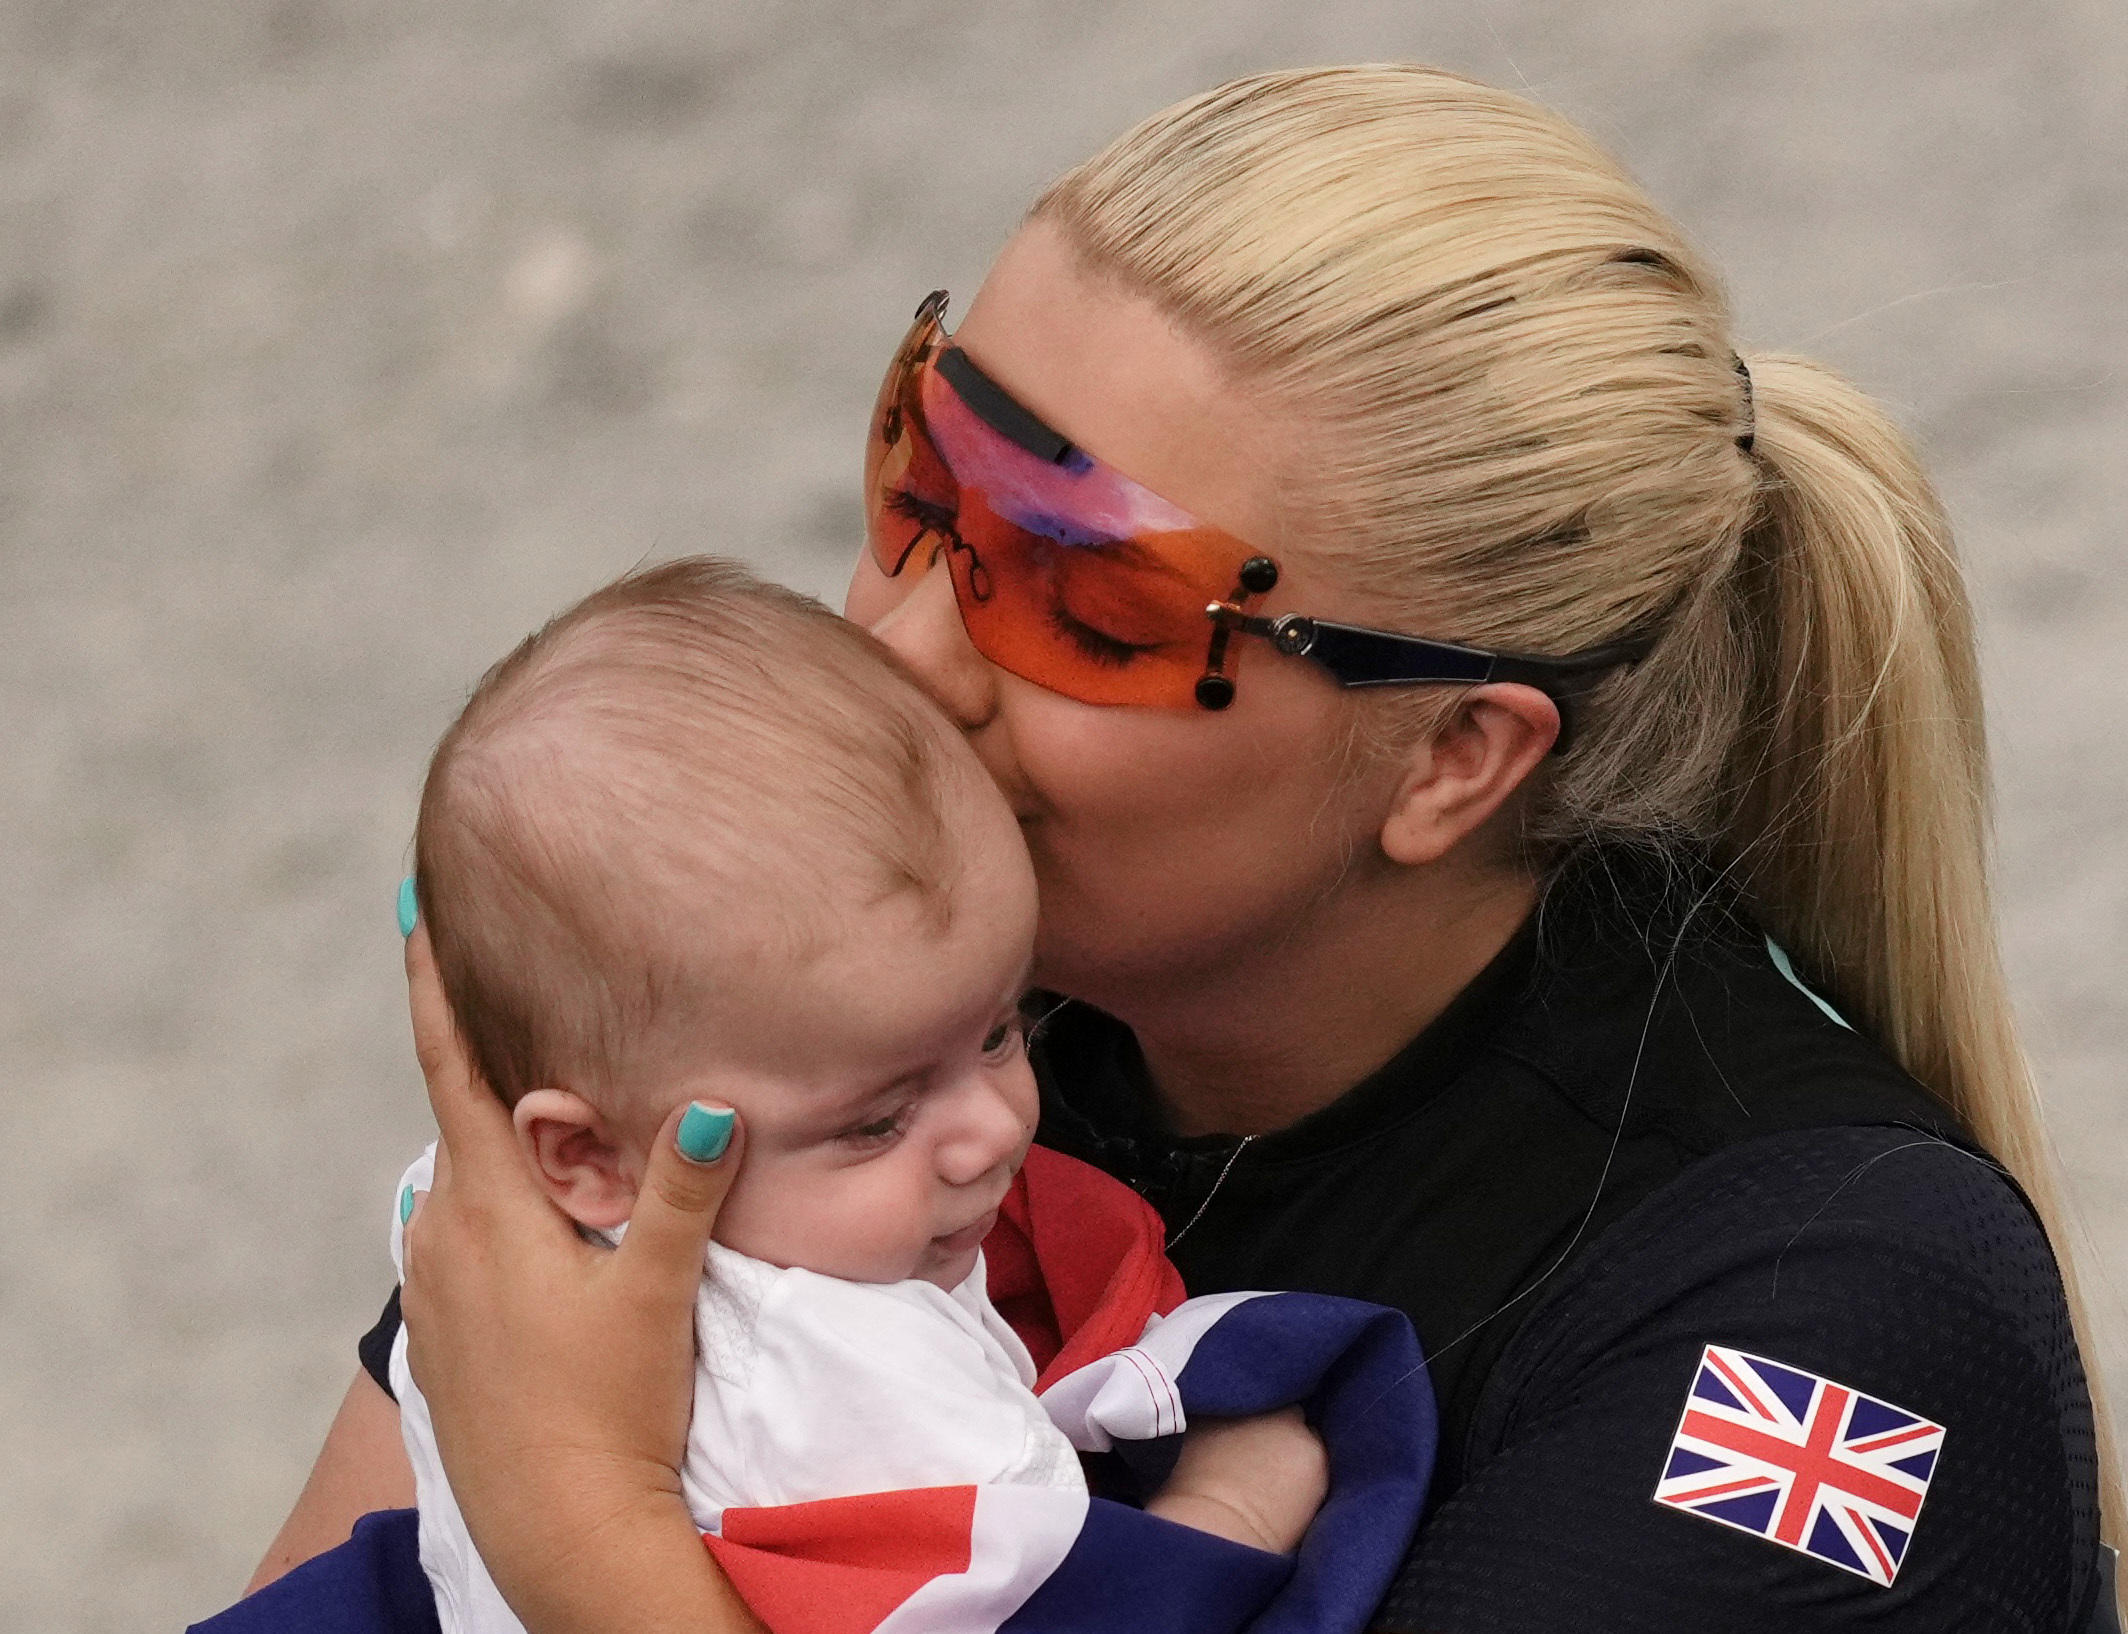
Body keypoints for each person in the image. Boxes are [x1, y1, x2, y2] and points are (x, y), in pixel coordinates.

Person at [257, 64, 2117, 1631]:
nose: (900, 645)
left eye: (1082, 595)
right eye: (922, 479)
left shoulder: (1823, 1330)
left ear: (1451, 757)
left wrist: (588, 1536)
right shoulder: (863, 1025)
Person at [370, 556, 1350, 1634]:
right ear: (590, 1159)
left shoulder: (483, 1247)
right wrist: (1230, 1507)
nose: (990, 1129)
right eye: (876, 1119)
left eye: (998, 1030)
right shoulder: (858, 1392)